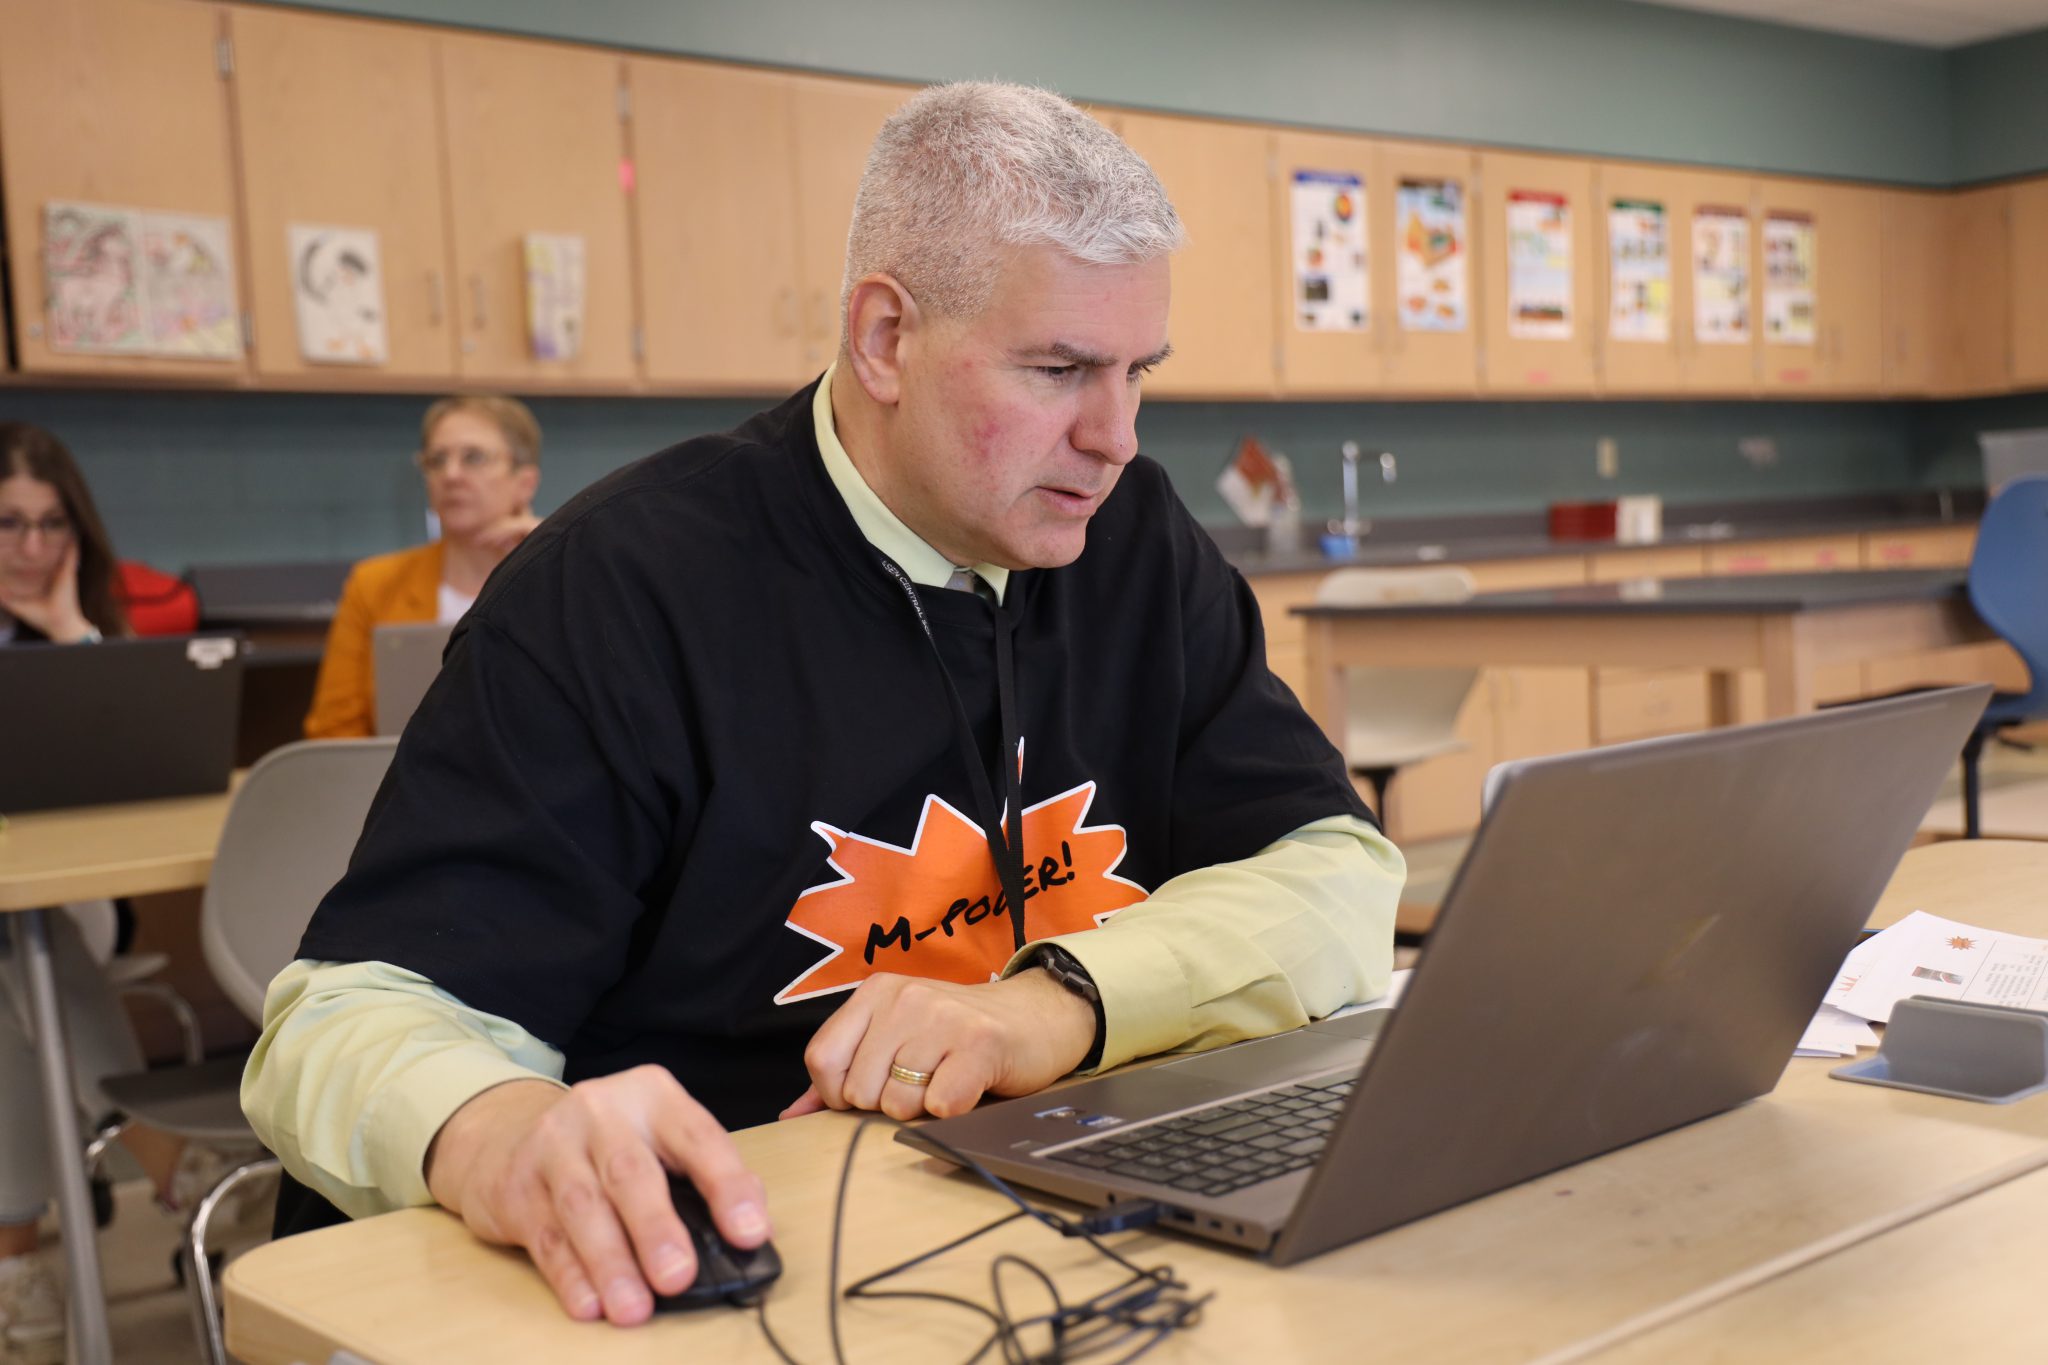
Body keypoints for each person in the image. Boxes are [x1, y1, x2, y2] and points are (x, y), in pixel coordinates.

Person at [243, 82, 1404, 1329]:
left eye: (1138, 374)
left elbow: (1332, 872)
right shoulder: (623, 588)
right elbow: (346, 1017)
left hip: (1048, 1244)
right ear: (884, 338)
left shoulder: (1132, 542)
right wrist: (500, 1137)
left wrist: (1046, 1002)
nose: (1113, 437)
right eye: (1058, 369)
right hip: (736, 1278)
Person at [0, 422, 227, 1365]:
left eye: (54, 525)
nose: (32, 548)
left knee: (26, 940)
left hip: (74, 902)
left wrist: (63, 634)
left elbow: (130, 768)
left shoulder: (87, 628)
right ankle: (150, 1134)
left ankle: (15, 1267)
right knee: (17, 964)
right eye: (7, 524)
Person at [301, 395, 543, 738]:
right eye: (437, 460)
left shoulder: (562, 582)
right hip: (402, 786)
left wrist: (550, 553)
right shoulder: (374, 585)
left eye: (473, 457)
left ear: (525, 483)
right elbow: (333, 734)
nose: (451, 474)